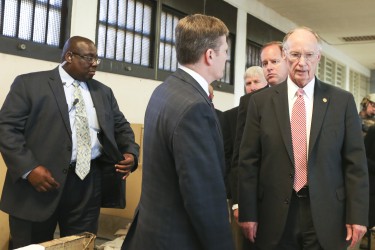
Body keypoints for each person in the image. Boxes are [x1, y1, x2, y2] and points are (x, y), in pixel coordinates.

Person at [0, 36, 139, 248]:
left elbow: (121, 127)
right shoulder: (29, 84)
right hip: (40, 183)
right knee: (31, 245)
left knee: (81, 243)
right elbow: (6, 129)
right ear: (69, 56)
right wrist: (29, 169)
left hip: (87, 185)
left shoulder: (103, 92)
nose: (94, 64)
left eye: (96, 59)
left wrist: (131, 152)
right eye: (88, 58)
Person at [238, 26, 369, 249]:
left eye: (309, 55)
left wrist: (357, 215)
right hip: (275, 214)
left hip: (328, 214)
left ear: (318, 57)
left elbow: (355, 164)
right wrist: (247, 212)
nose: (302, 63)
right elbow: (249, 161)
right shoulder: (260, 103)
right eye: (295, 55)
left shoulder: (342, 101)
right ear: (285, 57)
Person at [121, 14, 234, 250]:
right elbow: (202, 197)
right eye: (225, 50)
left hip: (152, 231)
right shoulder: (195, 108)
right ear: (210, 55)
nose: (227, 57)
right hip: (177, 238)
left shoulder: (165, 90)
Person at [230, 41, 288, 232]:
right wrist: (239, 202)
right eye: (265, 63)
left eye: (274, 61)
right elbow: (241, 155)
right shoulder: (251, 102)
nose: (269, 67)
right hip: (262, 196)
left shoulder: (306, 98)